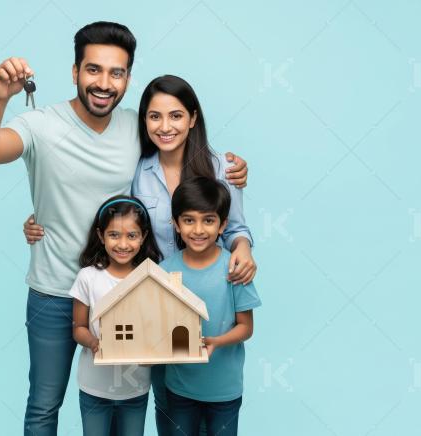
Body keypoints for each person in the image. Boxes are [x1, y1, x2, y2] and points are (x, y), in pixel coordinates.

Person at [0, 21, 248, 435]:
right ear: (75, 71)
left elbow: (184, 163)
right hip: (53, 290)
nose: (104, 82)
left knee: (134, 402)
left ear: (128, 78)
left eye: (116, 73)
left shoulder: (137, 128)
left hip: (124, 296)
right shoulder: (41, 124)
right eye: (93, 70)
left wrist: (231, 170)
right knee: (45, 404)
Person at [24, 74, 257, 435]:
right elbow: (109, 213)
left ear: (193, 118)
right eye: (154, 117)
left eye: (176, 116)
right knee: (168, 402)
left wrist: (243, 249)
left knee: (205, 392)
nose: (165, 127)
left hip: (210, 297)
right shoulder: (137, 167)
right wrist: (45, 220)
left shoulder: (223, 168)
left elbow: (236, 228)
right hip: (153, 303)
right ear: (143, 121)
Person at [160, 177, 261, 436]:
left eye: (208, 220)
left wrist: (216, 341)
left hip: (224, 390)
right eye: (189, 220)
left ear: (222, 225)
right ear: (176, 224)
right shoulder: (164, 271)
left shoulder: (235, 269)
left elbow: (246, 327)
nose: (198, 229)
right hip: (180, 388)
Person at [69, 195, 161, 435]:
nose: (123, 244)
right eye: (114, 235)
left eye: (131, 235)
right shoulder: (88, 277)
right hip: (94, 387)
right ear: (101, 236)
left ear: (143, 237)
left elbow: (156, 328)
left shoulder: (150, 277)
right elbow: (78, 327)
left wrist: (154, 351)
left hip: (136, 388)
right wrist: (94, 343)